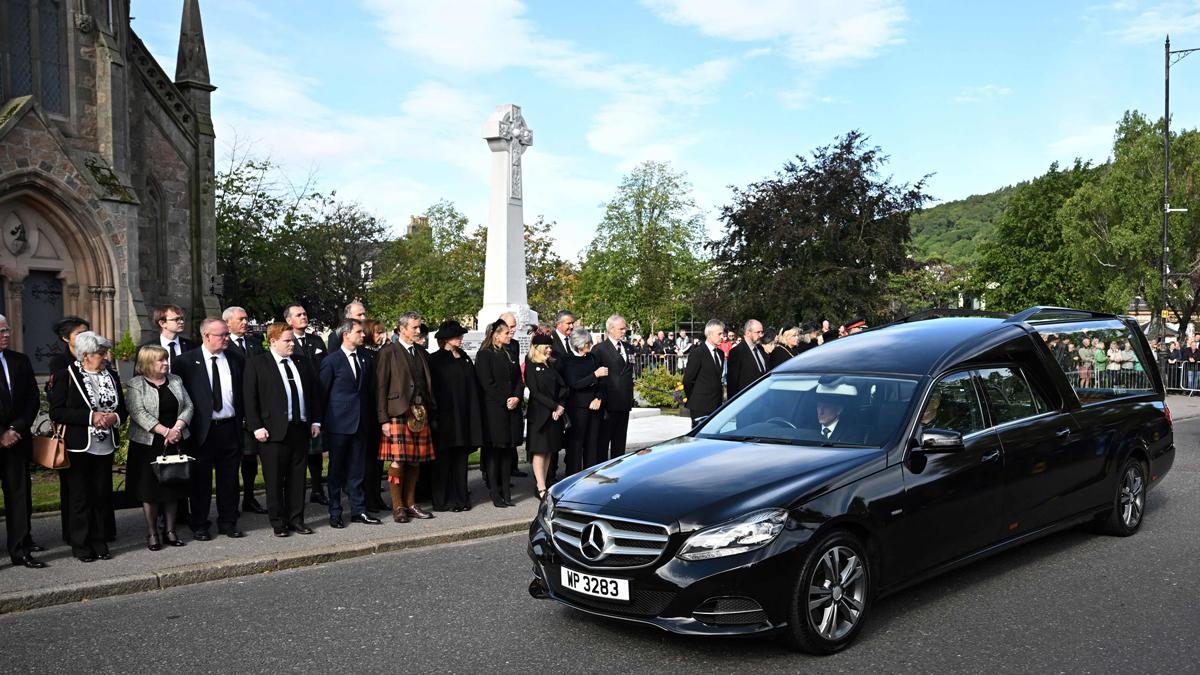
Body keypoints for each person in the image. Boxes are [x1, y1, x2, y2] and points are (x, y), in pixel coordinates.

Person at [48, 331, 127, 562]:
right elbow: (57, 411)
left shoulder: (110, 376)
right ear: (85, 355)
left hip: (104, 445)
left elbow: (122, 408)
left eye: (105, 352)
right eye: (100, 353)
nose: (104, 357)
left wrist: (114, 418)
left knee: (101, 495)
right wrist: (91, 417)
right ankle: (81, 544)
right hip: (78, 446)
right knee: (80, 497)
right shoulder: (67, 375)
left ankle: (99, 540)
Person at [243, 322, 323, 537]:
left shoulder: (302, 362)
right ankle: (279, 522)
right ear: (273, 342)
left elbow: (313, 394)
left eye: (293, 340)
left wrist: (315, 421)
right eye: (287, 341)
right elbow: (249, 399)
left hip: (300, 429)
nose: (292, 344)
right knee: (275, 479)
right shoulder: (257, 364)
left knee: (298, 479)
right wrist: (256, 427)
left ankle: (297, 519)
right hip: (272, 432)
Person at [174, 318, 245, 540]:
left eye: (226, 334)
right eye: (222, 335)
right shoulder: (185, 362)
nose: (226, 338)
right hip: (201, 430)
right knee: (200, 481)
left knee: (230, 479)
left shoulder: (235, 359)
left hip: (229, 427)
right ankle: (200, 523)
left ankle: (228, 521)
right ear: (206, 336)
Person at [125, 345, 193, 550]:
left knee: (172, 487)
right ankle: (152, 532)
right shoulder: (136, 384)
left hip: (175, 440)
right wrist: (165, 431)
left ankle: (171, 531)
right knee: (150, 490)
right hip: (148, 444)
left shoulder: (175, 380)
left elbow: (189, 406)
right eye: (160, 360)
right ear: (147, 363)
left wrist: (177, 428)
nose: (165, 363)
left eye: (166, 359)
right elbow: (137, 412)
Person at [319, 318, 382, 528]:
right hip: (339, 425)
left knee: (357, 471)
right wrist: (320, 423)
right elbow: (323, 394)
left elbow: (370, 390)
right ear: (346, 335)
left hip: (361, 424)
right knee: (336, 471)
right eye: (359, 332)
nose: (363, 335)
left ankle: (358, 510)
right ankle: (335, 512)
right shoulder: (332, 361)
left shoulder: (365, 358)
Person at [375, 311, 437, 522]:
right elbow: (381, 386)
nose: (419, 331)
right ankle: (397, 506)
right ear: (402, 329)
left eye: (419, 327)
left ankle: (411, 503)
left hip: (420, 413)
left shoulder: (420, 351)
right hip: (397, 413)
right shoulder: (388, 351)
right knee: (398, 461)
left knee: (415, 462)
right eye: (414, 328)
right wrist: (383, 419)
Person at [0, 315, 45, 568]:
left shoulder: (20, 360)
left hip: (17, 441)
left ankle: (20, 550)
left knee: (19, 498)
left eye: (7, 330)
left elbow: (32, 398)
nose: (6, 334)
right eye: (1, 331)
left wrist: (16, 428)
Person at [427, 320, 483, 512]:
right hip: (445, 418)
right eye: (456, 336)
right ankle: (443, 499)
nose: (460, 339)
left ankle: (461, 498)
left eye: (461, 336)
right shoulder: (435, 360)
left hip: (464, 417)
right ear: (445, 340)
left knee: (460, 460)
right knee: (443, 461)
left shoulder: (464, 357)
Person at [46, 316, 92, 545]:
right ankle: (74, 534)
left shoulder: (97, 357)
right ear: (66, 339)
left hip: (97, 436)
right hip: (73, 432)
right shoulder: (60, 363)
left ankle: (99, 532)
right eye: (79, 334)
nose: (85, 338)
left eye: (87, 332)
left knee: (95, 488)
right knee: (74, 490)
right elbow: (58, 403)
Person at [223, 306, 269, 515]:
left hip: (256, 409)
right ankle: (231, 503)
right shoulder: (223, 346)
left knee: (252, 458)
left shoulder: (255, 345)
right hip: (233, 408)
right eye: (241, 319)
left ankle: (250, 497)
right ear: (228, 322)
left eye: (246, 318)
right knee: (235, 459)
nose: (245, 322)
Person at [284, 304, 329, 507]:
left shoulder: (316, 340)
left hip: (317, 399)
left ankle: (318, 489)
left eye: (304, 313)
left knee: (316, 448)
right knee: (298, 450)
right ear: (288, 320)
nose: (304, 317)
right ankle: (296, 492)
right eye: (298, 315)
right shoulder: (287, 342)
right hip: (297, 401)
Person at [475, 319, 523, 507]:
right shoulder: (485, 355)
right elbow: (487, 383)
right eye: (506, 334)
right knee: (495, 451)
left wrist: (517, 397)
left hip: (511, 408)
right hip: (494, 410)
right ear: (496, 335)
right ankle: (495, 492)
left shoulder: (509, 352)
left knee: (506, 451)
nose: (510, 336)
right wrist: (505, 399)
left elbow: (519, 378)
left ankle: (507, 491)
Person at [525, 334, 568, 500]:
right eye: (547, 347)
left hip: (554, 415)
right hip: (540, 415)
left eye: (550, 347)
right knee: (540, 451)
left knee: (549, 450)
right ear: (538, 348)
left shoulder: (551, 365)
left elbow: (563, 387)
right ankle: (540, 486)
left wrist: (561, 406)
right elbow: (535, 392)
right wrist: (554, 406)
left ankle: (543, 483)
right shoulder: (531, 365)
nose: (550, 350)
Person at [563, 327, 607, 472]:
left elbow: (602, 382)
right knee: (575, 445)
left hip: (594, 406)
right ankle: (573, 476)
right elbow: (575, 383)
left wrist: (598, 398)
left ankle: (590, 475)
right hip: (577, 408)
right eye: (587, 343)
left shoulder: (593, 358)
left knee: (592, 443)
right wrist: (594, 375)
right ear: (579, 344)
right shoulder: (568, 360)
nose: (590, 346)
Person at [592, 314, 635, 461]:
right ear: (610, 329)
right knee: (603, 442)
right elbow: (595, 377)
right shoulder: (599, 349)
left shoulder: (628, 348)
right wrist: (598, 397)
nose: (624, 331)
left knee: (619, 442)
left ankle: (618, 470)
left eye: (625, 329)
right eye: (621, 329)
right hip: (607, 402)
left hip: (624, 401)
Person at [360, 318, 389, 513]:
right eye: (378, 333)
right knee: (368, 460)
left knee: (378, 460)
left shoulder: (380, 354)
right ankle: (368, 498)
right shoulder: (366, 356)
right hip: (367, 413)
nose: (381, 336)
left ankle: (376, 497)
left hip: (379, 412)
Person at [499, 312, 528, 480]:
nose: (513, 330)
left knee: (514, 434)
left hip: (514, 395)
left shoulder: (515, 344)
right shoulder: (492, 348)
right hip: (501, 399)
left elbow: (517, 372)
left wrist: (518, 395)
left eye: (514, 326)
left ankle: (513, 466)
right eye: (509, 327)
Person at [682, 320, 727, 423]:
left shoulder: (720, 353)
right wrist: (695, 398)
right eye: (719, 334)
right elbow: (687, 380)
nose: (722, 337)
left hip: (717, 405)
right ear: (710, 334)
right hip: (700, 406)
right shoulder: (698, 353)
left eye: (723, 334)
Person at [138, 304, 195, 370]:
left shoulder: (192, 347)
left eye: (182, 319)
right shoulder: (145, 350)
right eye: (176, 319)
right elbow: (139, 376)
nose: (181, 322)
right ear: (162, 323)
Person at [727, 319, 767, 397]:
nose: (761, 335)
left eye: (762, 332)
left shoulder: (760, 349)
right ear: (748, 333)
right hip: (746, 400)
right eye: (758, 332)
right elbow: (732, 383)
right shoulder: (736, 352)